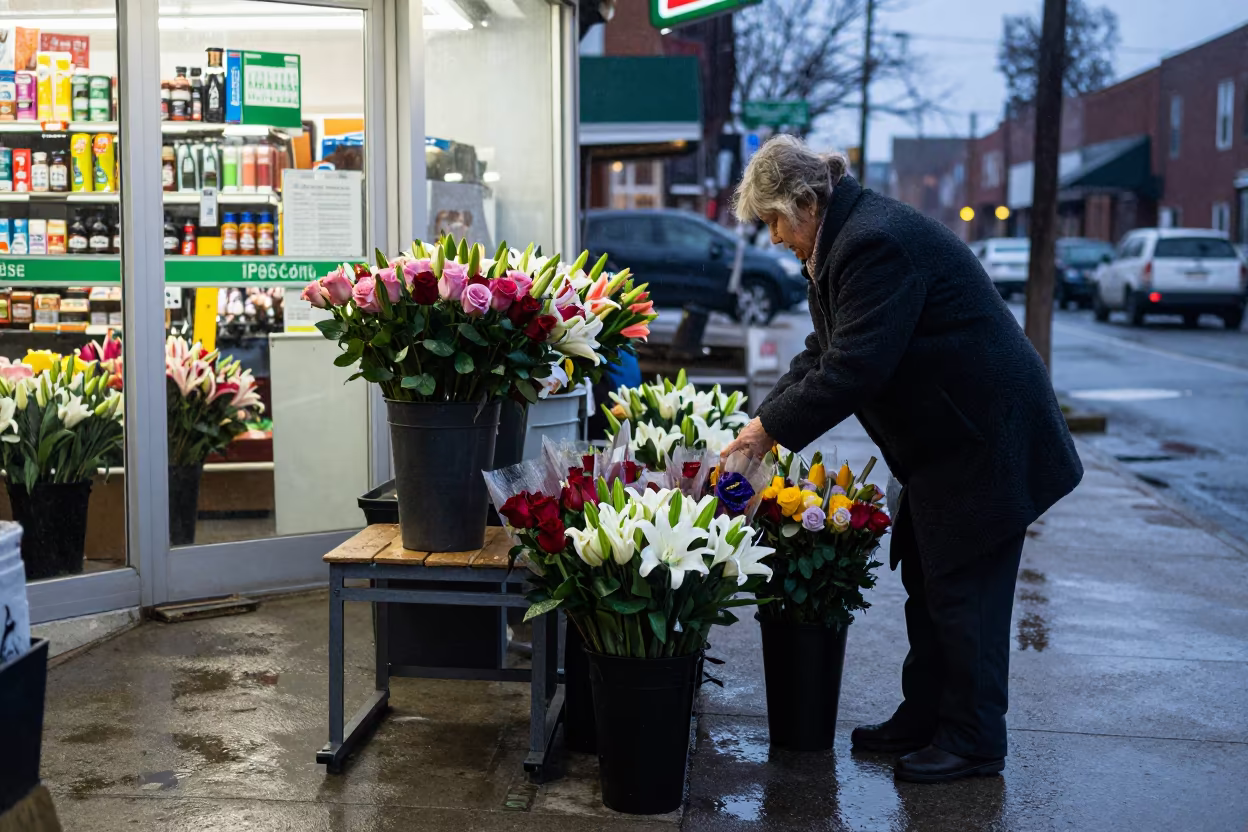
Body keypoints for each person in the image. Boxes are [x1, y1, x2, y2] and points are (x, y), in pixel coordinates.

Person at [721, 134, 1083, 784]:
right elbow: (823, 350)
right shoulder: (844, 243)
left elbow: (856, 368)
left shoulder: (872, 242)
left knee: (963, 592)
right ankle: (927, 717)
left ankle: (974, 740)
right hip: (948, 441)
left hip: (984, 439)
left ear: (805, 201)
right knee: (927, 579)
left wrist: (767, 433)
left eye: (774, 220)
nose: (773, 237)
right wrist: (757, 429)